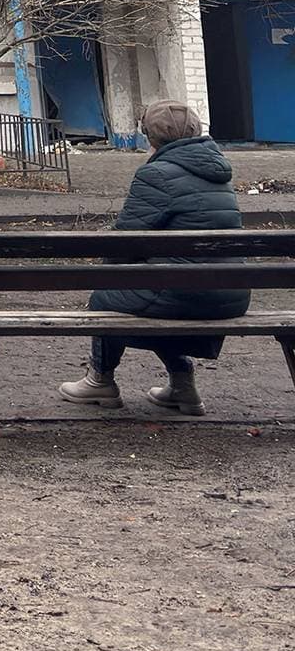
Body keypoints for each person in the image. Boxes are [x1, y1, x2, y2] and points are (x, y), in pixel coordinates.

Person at [58, 100, 248, 416]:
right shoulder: (219, 172)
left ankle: (100, 379)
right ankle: (182, 384)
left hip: (185, 294)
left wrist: (110, 275)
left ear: (152, 138)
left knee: (109, 297)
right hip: (230, 295)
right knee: (160, 288)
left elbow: (125, 244)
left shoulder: (156, 174)